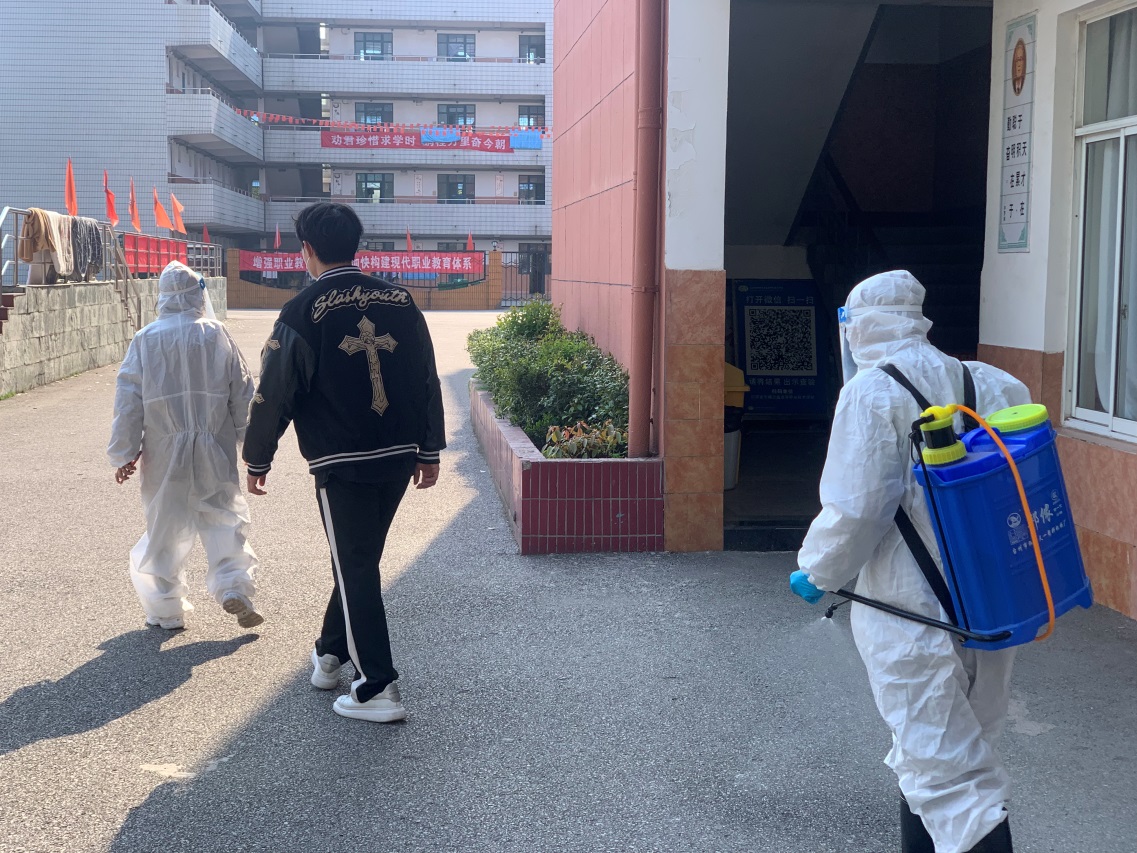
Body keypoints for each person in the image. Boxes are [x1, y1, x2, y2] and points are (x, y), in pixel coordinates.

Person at [789, 271, 1030, 853]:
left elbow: (857, 509)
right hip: (989, 610)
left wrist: (818, 570)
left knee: (954, 782)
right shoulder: (990, 382)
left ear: (860, 325)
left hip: (912, 616)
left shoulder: (871, 392)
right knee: (937, 759)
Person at [243, 202, 445, 724]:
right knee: (358, 559)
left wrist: (258, 456)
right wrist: (429, 448)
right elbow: (427, 375)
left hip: (341, 460)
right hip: (399, 454)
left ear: (307, 249)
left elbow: (274, 391)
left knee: (355, 563)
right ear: (356, 244)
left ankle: (376, 686)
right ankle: (330, 653)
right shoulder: (400, 300)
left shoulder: (302, 311)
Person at [108, 261, 261, 631]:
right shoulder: (216, 333)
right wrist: (251, 444)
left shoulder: (145, 339)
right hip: (214, 447)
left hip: (163, 452)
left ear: (161, 296)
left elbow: (129, 402)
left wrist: (124, 454)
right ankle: (233, 586)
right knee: (223, 519)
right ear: (198, 294)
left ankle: (166, 609)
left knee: (165, 528)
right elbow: (242, 392)